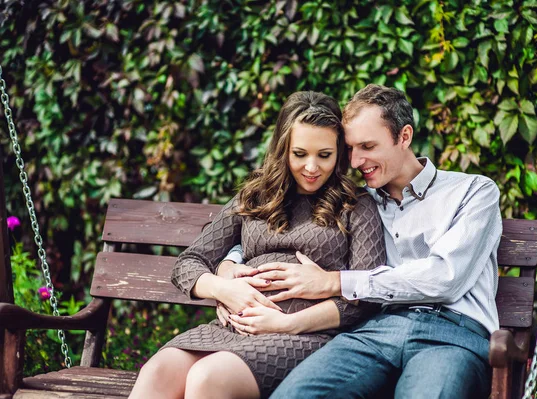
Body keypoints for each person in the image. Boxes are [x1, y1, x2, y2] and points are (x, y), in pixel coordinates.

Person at [222, 84, 503, 398]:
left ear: (404, 136)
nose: (355, 161)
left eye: (367, 146)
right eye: (351, 148)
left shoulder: (473, 191)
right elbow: (287, 233)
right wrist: (232, 263)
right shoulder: (359, 204)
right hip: (376, 333)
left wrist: (337, 282)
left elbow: (445, 278)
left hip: (452, 334)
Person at [128, 91, 386, 399]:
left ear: (339, 153)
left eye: (325, 155)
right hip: (233, 328)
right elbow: (189, 262)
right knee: (157, 372)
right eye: (300, 154)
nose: (312, 167)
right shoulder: (254, 197)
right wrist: (225, 290)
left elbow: (367, 298)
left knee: (208, 378)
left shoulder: (356, 206)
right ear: (282, 149)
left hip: (308, 335)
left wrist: (287, 322)